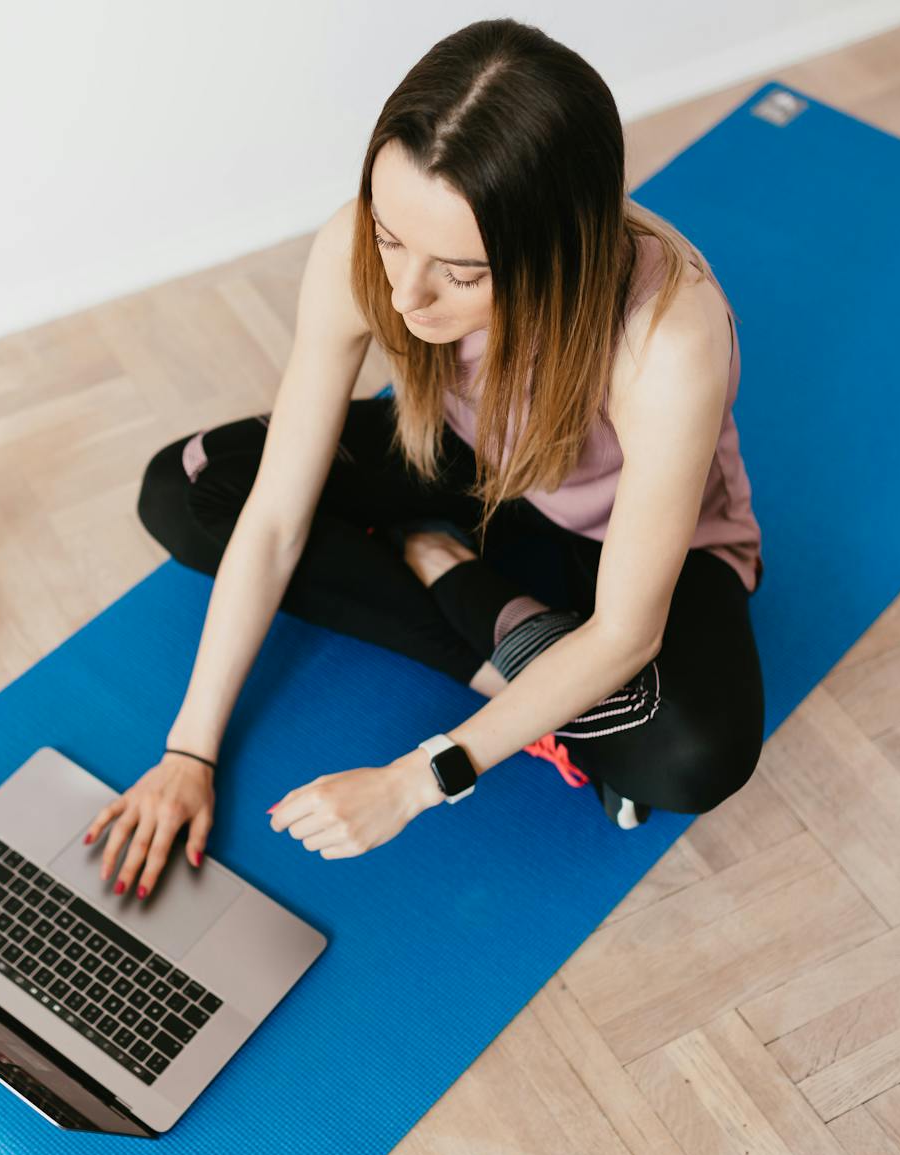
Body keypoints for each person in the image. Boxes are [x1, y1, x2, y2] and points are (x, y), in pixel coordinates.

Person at [85, 17, 765, 901]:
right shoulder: (360, 247)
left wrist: (419, 777)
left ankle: (446, 568)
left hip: (623, 542)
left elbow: (626, 631)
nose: (406, 295)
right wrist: (189, 750)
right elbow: (279, 513)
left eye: (463, 272)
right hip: (473, 466)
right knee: (188, 490)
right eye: (391, 237)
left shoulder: (668, 329)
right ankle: (525, 667)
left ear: (557, 256)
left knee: (689, 755)